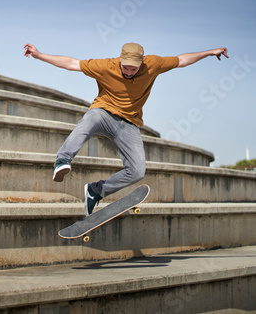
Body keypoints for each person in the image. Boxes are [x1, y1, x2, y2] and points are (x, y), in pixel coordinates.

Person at [23, 42, 228, 216]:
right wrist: (39, 55)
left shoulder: (153, 64)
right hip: (104, 113)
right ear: (120, 60)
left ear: (142, 63)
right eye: (126, 67)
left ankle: (96, 191)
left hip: (128, 124)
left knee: (138, 171)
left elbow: (181, 60)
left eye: (134, 69)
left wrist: (209, 53)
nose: (129, 71)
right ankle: (63, 159)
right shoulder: (105, 66)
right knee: (90, 117)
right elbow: (72, 63)